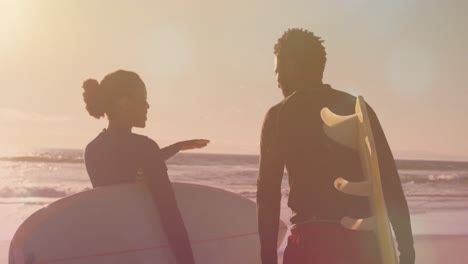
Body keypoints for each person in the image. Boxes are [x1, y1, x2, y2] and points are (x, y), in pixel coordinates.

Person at [257, 29, 415, 264]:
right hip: (363, 245)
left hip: (310, 243)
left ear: (291, 65)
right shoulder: (358, 109)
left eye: (278, 71)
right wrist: (406, 252)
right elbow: (389, 181)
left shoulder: (279, 115)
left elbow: (268, 195)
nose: (277, 80)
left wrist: (267, 258)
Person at [82, 69, 209, 264]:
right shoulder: (144, 147)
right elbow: (170, 216)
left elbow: (126, 169)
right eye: (142, 98)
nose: (147, 105)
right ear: (124, 102)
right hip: (143, 252)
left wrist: (176, 147)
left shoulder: (92, 149)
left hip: (113, 250)